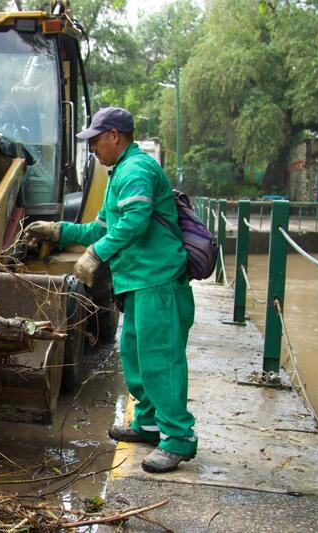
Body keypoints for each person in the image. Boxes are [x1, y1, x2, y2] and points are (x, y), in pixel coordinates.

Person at [23, 107, 197, 473]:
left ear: (115, 136)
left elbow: (136, 220)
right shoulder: (119, 174)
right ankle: (148, 424)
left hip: (158, 281)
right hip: (137, 282)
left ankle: (179, 438)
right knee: (135, 354)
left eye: (96, 140)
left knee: (160, 359)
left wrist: (94, 256)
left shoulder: (137, 170)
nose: (93, 149)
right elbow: (101, 228)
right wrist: (58, 231)